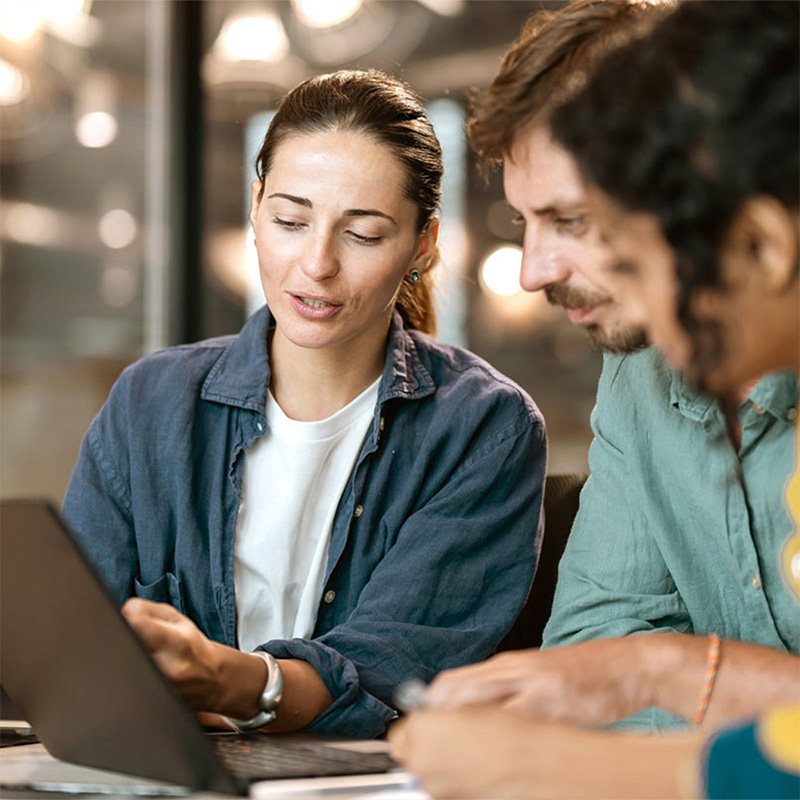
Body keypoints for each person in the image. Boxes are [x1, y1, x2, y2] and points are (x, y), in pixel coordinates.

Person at [61, 69, 546, 738]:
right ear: (256, 211)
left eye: (365, 235)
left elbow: (394, 671)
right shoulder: (151, 403)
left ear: (422, 246)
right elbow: (73, 650)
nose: (316, 264)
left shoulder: (483, 427)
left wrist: (230, 682)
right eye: (290, 219)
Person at [392, 2, 799, 797]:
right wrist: (643, 675)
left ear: (760, 243)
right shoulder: (650, 377)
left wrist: (563, 751)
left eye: (634, 254)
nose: (538, 268)